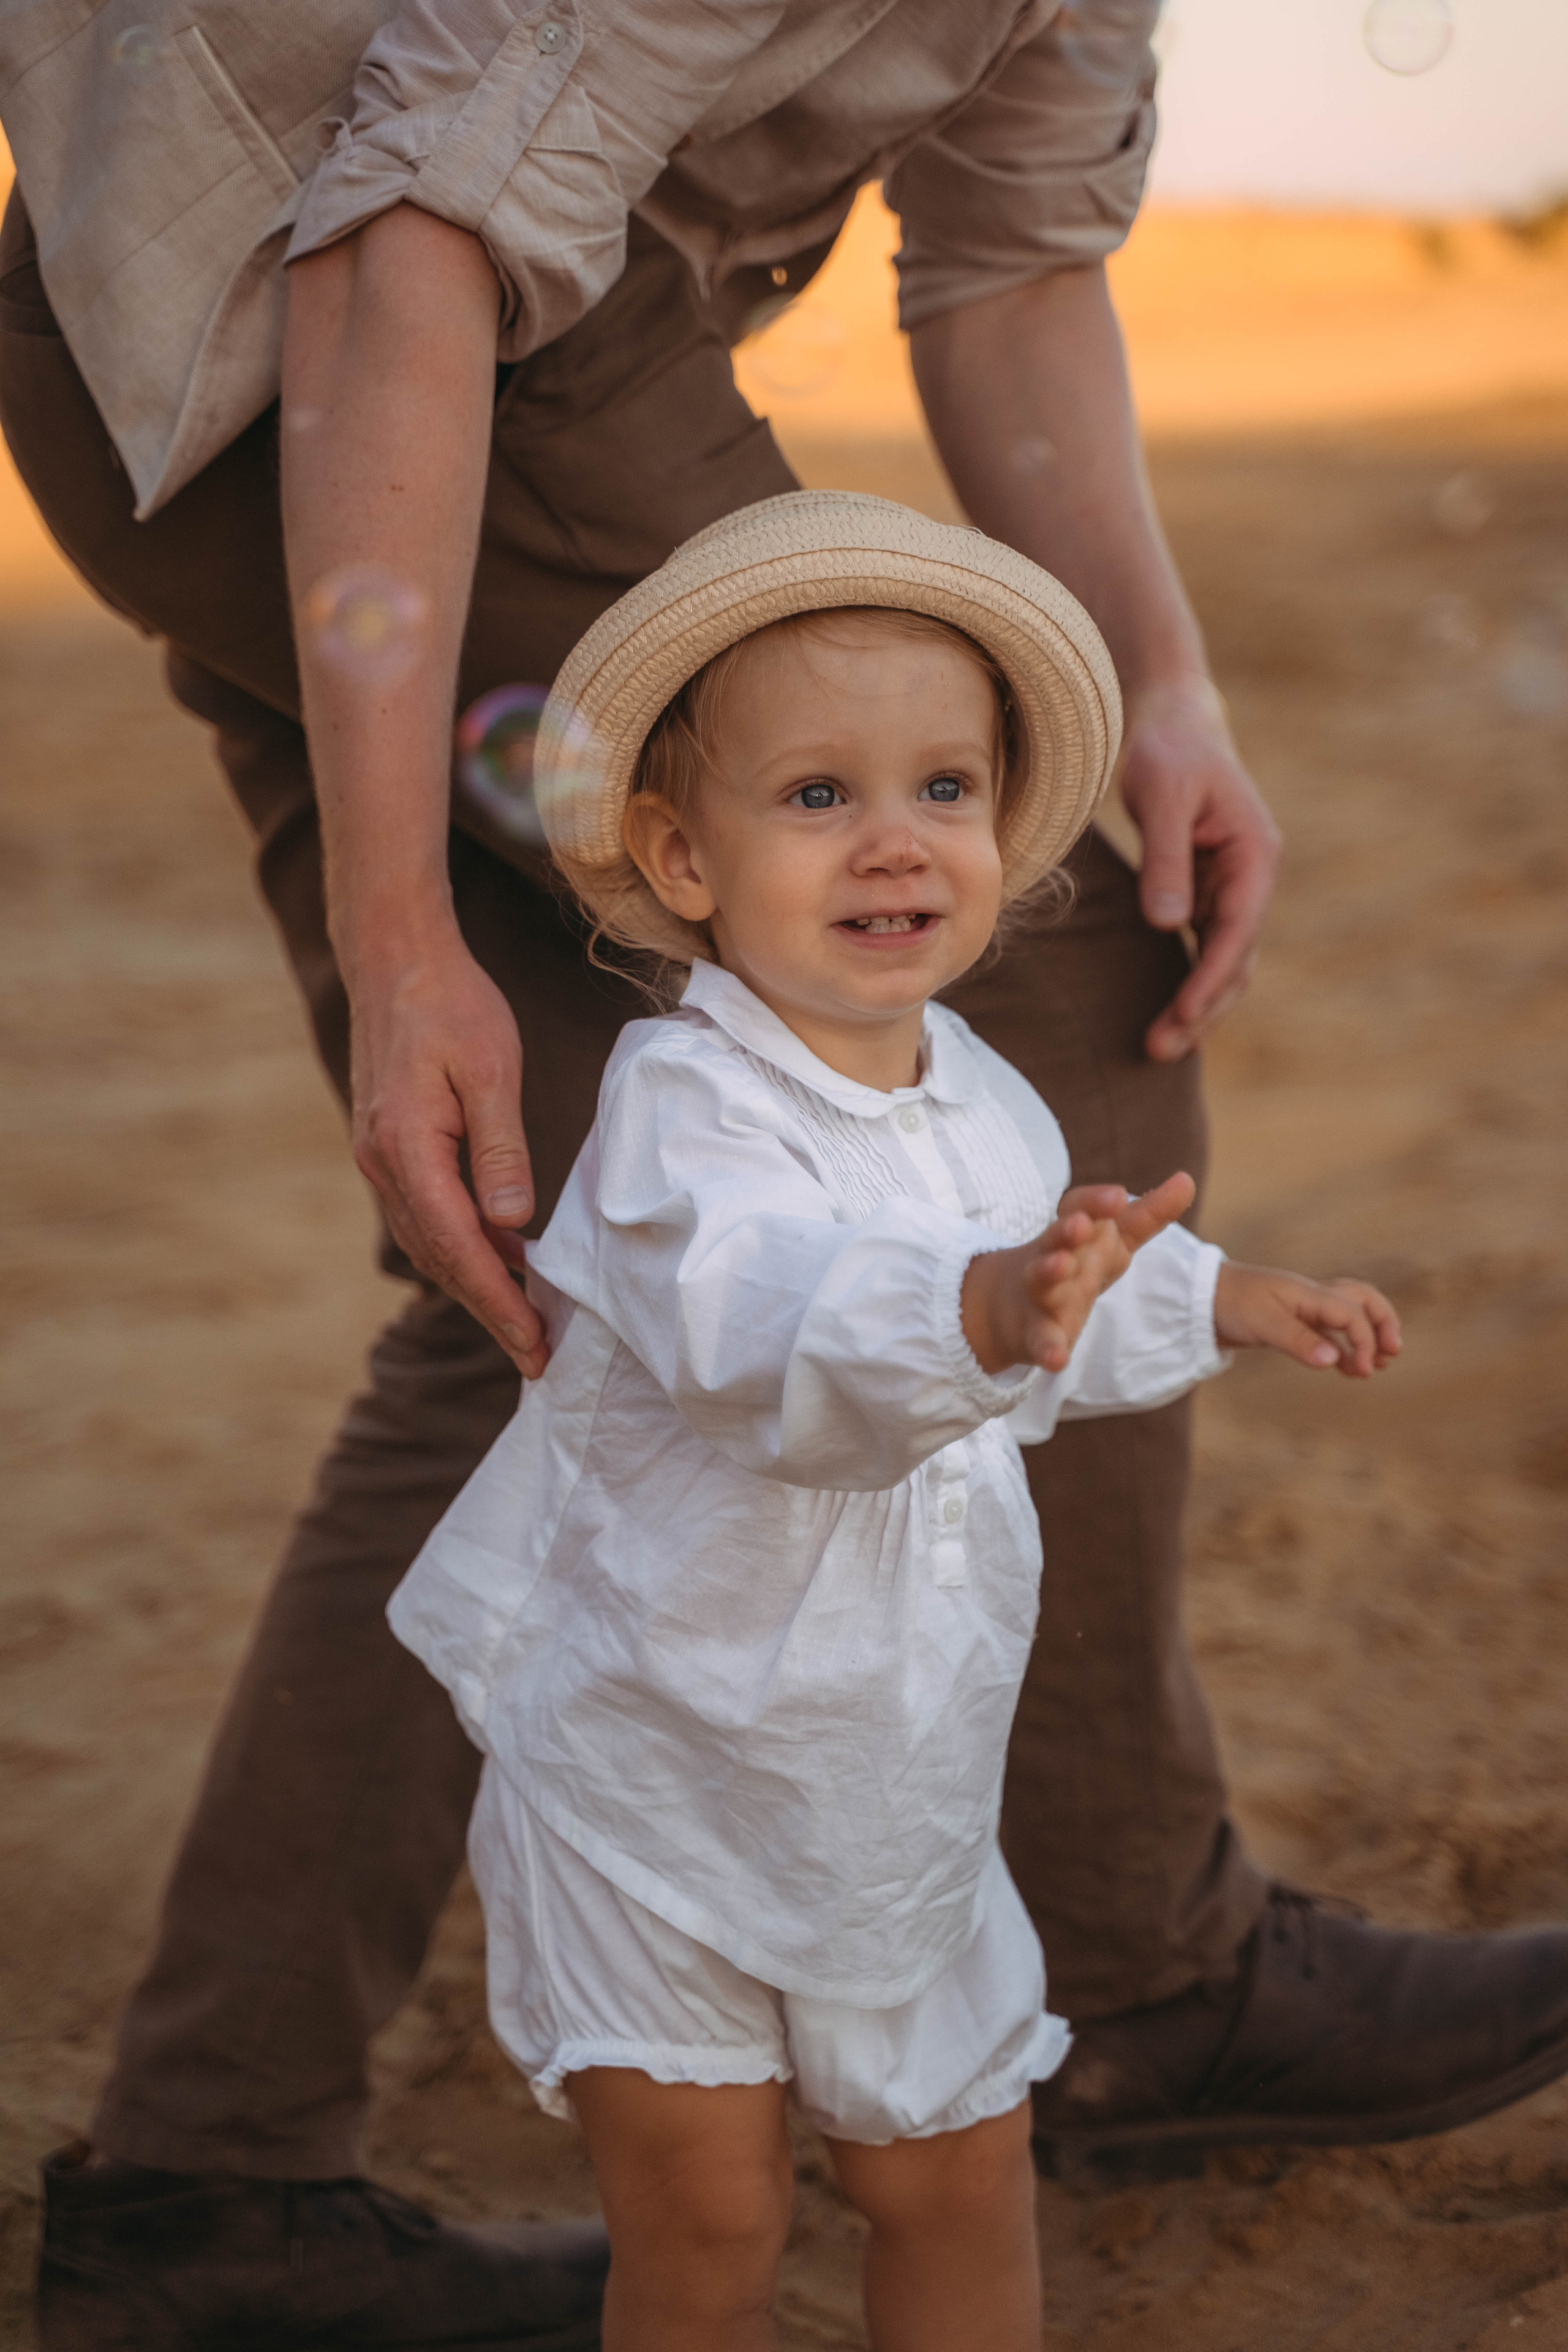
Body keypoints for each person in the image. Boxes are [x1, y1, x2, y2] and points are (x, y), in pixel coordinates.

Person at [2, 2, 1566, 2343]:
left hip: (172, 341)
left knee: (532, 1251)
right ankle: (1137, 1969)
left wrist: (1158, 680)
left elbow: (1010, 259)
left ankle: (209, 2179)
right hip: (379, 322)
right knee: (1026, 977)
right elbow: (411, 234)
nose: (901, 838)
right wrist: (402, 927)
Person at [386, 489, 1404, 2352]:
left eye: (946, 788)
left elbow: (1052, 1298)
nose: (895, 842)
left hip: (890, 1773)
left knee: (955, 2172)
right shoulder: (681, 1113)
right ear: (682, 858)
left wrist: (1217, 1299)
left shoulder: (983, 1096)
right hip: (652, 1763)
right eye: (816, 795)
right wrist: (981, 1307)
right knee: (712, 2220)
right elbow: (766, 1332)